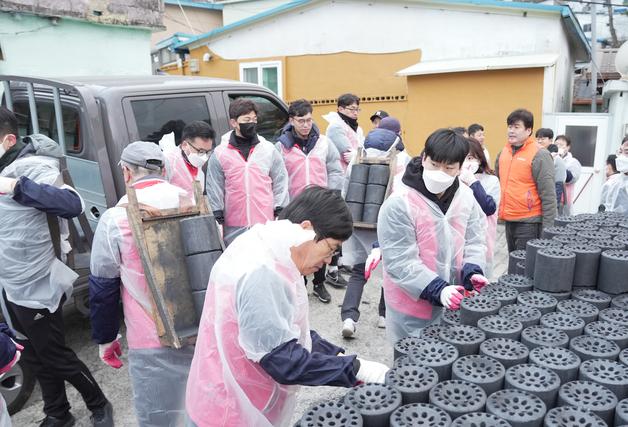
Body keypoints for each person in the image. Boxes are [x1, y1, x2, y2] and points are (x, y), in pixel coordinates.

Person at [185, 187, 389, 427]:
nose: (328, 261)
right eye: (330, 248)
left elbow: (289, 331)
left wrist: (339, 356)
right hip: (229, 411)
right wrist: (353, 369)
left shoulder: (270, 248)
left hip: (235, 396)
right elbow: (284, 361)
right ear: (306, 228)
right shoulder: (261, 272)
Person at [0, 106, 112, 427]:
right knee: (32, 353)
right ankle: (58, 412)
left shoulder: (34, 168)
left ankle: (99, 403)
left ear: (8, 140)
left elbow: (70, 204)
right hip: (10, 280)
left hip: (38, 280)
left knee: (55, 354)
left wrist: (16, 187)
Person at [89, 141, 195, 426]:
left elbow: (103, 288)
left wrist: (106, 339)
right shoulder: (193, 201)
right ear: (163, 169)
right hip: (200, 330)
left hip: (149, 340)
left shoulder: (115, 220)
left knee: (159, 414)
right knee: (201, 407)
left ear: (126, 173)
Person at [377, 129, 488, 343]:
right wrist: (437, 289)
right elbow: (400, 261)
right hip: (411, 305)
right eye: (435, 164)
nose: (440, 172)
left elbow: (475, 240)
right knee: (412, 366)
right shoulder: (401, 203)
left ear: (460, 168)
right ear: (423, 158)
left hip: (454, 300)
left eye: (449, 168)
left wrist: (472, 270)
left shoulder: (465, 197)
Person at [341, 116, 411, 338]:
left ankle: (350, 318)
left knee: (358, 272)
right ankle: (383, 315)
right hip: (385, 224)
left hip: (358, 221)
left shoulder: (358, 156)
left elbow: (345, 190)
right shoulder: (402, 159)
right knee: (387, 272)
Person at [276, 99, 344, 304]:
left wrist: (333, 194)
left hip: (320, 203)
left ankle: (319, 283)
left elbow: (334, 169)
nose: (306, 125)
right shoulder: (281, 147)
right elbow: (277, 176)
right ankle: (299, 284)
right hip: (295, 204)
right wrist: (282, 203)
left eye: (308, 120)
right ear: (291, 120)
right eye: (301, 121)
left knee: (322, 242)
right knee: (298, 245)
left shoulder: (324, 143)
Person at [206, 98, 289, 245]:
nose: (252, 123)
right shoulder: (220, 153)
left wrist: (279, 207)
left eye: (254, 119)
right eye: (247, 119)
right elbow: (214, 185)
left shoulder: (268, 150)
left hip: (264, 220)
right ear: (234, 123)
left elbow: (280, 180)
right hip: (235, 223)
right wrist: (217, 211)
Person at [495, 109, 556, 252]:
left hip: (529, 223)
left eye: (516, 127)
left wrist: (549, 232)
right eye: (510, 127)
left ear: (529, 130)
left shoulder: (540, 154)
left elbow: (549, 196)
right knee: (514, 265)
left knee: (524, 267)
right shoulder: (503, 153)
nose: (511, 131)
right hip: (509, 220)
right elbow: (500, 183)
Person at [458, 137, 501, 279]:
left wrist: (472, 182)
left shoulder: (491, 181)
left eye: (470, 158)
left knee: (479, 281)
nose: (466, 163)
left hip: (482, 242)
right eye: (463, 158)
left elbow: (489, 207)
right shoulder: (454, 180)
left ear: (479, 159)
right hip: (458, 242)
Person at [163, 120, 215, 196]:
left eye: (208, 152)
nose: (204, 157)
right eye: (201, 151)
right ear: (185, 145)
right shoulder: (169, 162)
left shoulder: (198, 166)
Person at [323, 93, 364, 172]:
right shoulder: (336, 127)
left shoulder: (358, 129)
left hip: (354, 172)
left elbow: (362, 151)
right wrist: (359, 155)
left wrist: (358, 155)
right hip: (340, 173)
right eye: (352, 109)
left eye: (357, 109)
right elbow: (347, 155)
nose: (355, 113)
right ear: (341, 109)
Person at [555, 134, 582, 215]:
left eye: (562, 145)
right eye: (556, 144)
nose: (559, 147)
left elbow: (572, 178)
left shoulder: (573, 162)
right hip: (552, 198)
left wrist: (559, 163)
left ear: (568, 147)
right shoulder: (551, 157)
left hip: (564, 199)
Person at [601, 137, 628, 213]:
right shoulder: (613, 183)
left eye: (626, 152)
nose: (621, 157)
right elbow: (606, 208)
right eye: (620, 151)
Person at [547, 144, 567, 215]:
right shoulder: (560, 158)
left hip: (556, 183)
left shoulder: (554, 157)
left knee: (554, 204)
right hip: (561, 183)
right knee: (556, 203)